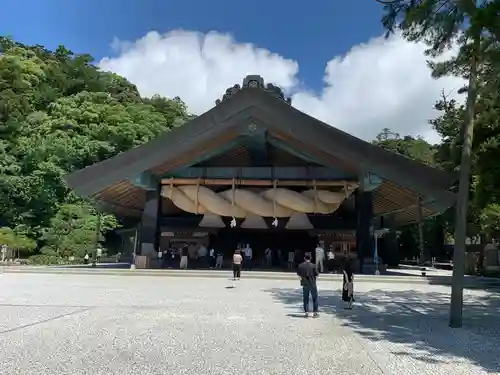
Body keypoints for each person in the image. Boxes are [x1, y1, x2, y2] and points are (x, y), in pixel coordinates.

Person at [297, 254, 319, 318]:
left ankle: (306, 313)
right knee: (314, 298)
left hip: (305, 284)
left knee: (305, 298)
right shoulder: (313, 266)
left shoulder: (301, 265)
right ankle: (315, 313)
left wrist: (302, 279)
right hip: (312, 283)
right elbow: (317, 275)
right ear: (310, 258)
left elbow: (299, 275)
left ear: (304, 258)